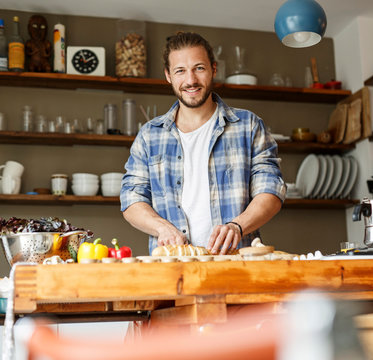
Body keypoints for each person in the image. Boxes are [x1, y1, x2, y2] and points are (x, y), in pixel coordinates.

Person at [120, 32, 286, 255]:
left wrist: (237, 226)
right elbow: (131, 198)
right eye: (180, 71)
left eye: (199, 68)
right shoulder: (150, 136)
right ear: (168, 75)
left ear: (213, 69)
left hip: (237, 262)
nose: (191, 81)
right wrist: (162, 228)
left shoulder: (248, 126)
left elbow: (271, 190)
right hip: (172, 266)